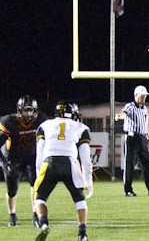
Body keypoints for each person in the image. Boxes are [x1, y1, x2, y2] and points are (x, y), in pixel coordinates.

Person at [33, 101, 93, 241]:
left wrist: (39, 173)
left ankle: (43, 224)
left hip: (49, 162)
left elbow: (39, 153)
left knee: (40, 198)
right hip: (70, 163)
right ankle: (82, 234)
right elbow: (85, 158)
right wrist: (88, 181)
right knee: (79, 199)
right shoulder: (81, 127)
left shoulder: (44, 125)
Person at [0, 95, 48, 227]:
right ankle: (12, 215)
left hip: (31, 156)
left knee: (35, 185)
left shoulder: (41, 120)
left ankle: (35, 214)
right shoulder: (8, 122)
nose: (28, 114)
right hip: (12, 157)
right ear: (19, 111)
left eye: (30, 110)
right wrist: (4, 162)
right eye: (25, 111)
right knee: (12, 190)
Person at [114, 85, 149, 197]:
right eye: (142, 96)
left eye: (145, 96)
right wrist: (119, 116)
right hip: (131, 137)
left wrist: (148, 140)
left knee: (147, 165)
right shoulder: (130, 106)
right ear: (136, 95)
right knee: (129, 164)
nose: (144, 98)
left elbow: (145, 126)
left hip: (142, 138)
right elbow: (124, 113)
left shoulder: (144, 109)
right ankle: (128, 190)